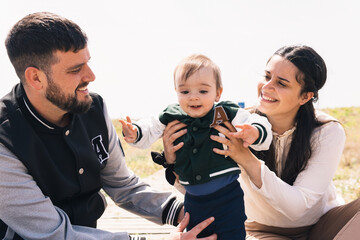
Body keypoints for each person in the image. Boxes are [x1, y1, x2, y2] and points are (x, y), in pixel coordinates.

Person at [0, 12, 217, 240]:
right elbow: (52, 234)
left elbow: (123, 186)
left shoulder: (93, 108)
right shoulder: (5, 140)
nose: (91, 76)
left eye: (88, 63)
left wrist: (185, 211)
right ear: (36, 78)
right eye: (75, 69)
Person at [159, 44, 360, 239]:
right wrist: (173, 161)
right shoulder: (234, 123)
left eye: (281, 83)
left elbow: (299, 208)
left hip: (323, 224)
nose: (267, 86)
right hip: (262, 231)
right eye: (266, 76)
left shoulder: (327, 130)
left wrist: (245, 158)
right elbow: (201, 186)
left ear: (306, 96)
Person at [120, 54, 272, 239]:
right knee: (197, 234)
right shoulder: (171, 114)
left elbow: (255, 121)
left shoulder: (223, 112)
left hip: (227, 196)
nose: (193, 97)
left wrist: (254, 132)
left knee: (232, 234)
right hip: (193, 200)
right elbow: (150, 127)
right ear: (176, 91)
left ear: (218, 93)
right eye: (185, 92)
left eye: (202, 91)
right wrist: (135, 132)